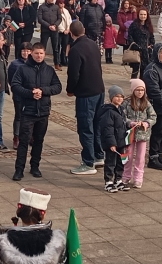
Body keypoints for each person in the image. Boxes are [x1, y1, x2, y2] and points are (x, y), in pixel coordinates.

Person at [10, 43, 61, 181]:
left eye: (41, 53)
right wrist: (30, 93)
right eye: (36, 53)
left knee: (39, 140)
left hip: (43, 111)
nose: (39, 56)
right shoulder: (22, 69)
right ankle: (19, 169)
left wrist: (43, 91)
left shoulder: (49, 70)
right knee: (24, 141)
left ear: (44, 54)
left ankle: (35, 166)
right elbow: (15, 86)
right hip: (28, 111)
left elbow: (57, 87)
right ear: (31, 53)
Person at [66, 21, 105, 175]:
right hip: (99, 90)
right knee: (96, 125)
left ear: (71, 33)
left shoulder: (76, 49)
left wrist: (70, 90)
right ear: (84, 30)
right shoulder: (93, 44)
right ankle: (98, 155)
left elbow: (73, 74)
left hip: (86, 93)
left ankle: (88, 162)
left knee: (85, 127)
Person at [96, 85, 128, 193]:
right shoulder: (108, 112)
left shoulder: (121, 110)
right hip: (112, 143)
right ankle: (108, 181)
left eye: (121, 96)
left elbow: (123, 125)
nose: (119, 99)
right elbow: (107, 129)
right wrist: (111, 144)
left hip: (121, 141)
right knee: (110, 162)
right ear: (111, 97)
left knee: (120, 162)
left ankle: (118, 179)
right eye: (117, 96)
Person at [126, 7, 155, 79]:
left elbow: (151, 36)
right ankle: (134, 81)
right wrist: (134, 45)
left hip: (146, 51)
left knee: (144, 68)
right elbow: (130, 36)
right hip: (136, 50)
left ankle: (142, 82)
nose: (143, 16)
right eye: (141, 14)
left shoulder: (148, 25)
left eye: (144, 14)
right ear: (138, 15)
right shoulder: (134, 25)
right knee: (135, 69)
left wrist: (151, 45)